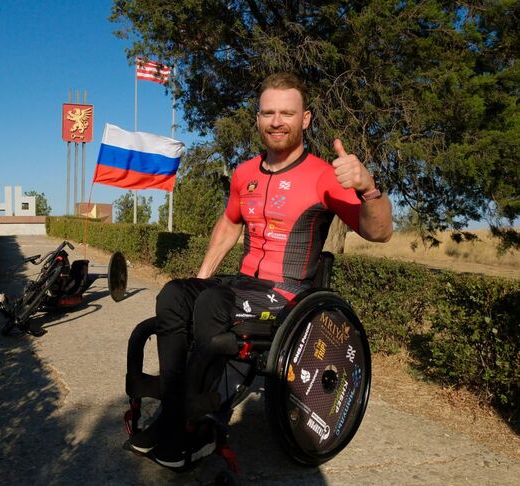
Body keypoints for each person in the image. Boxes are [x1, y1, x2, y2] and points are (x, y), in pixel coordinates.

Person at [128, 72, 393, 468]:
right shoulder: (244, 173)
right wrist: (201, 277)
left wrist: (369, 189)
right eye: (268, 113)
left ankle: (199, 421)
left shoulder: (324, 175)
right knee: (174, 295)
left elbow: (380, 232)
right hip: (243, 286)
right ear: (257, 118)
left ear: (305, 119)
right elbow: (230, 223)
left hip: (287, 295)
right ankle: (174, 409)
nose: (276, 121)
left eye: (287, 113)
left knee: (212, 305)